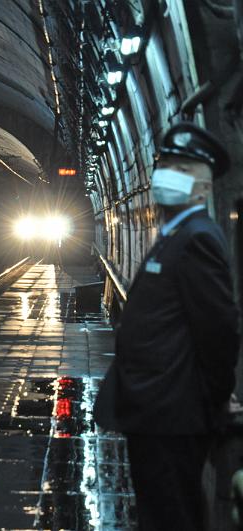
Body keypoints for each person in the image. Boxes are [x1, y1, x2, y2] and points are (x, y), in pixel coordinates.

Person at [94, 122, 240, 530]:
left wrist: (214, 399)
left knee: (172, 517)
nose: (167, 176)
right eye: (166, 166)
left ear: (204, 189)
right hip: (156, 412)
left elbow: (218, 332)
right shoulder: (175, 234)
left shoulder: (198, 239)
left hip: (173, 415)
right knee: (159, 512)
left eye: (183, 170)